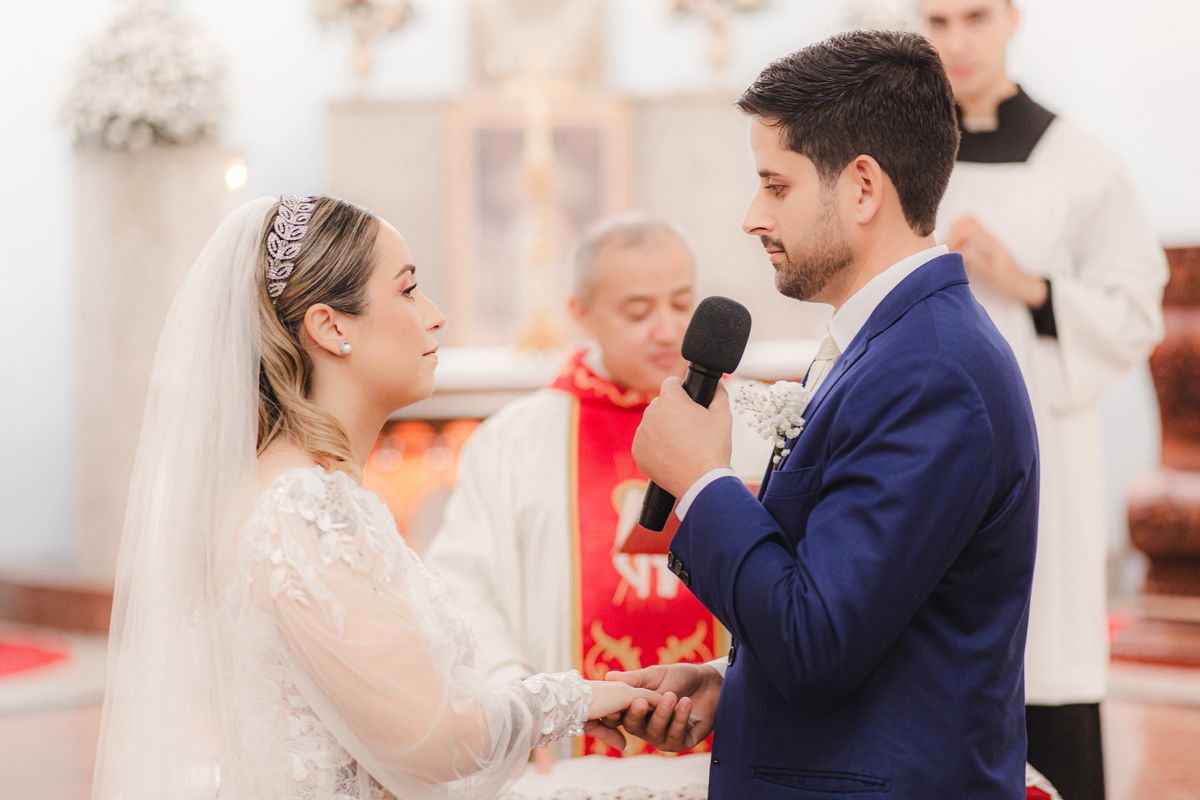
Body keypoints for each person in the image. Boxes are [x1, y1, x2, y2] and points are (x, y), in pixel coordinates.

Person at [92, 195, 660, 800]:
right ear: (332, 327)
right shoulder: (302, 508)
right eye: (408, 290)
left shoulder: (290, 491)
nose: (435, 316)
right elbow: (431, 739)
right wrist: (571, 699)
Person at [607, 31, 1040, 798]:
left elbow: (816, 641)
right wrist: (730, 683)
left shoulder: (931, 372)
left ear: (863, 188)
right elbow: (871, 610)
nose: (752, 216)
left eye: (776, 186)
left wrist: (701, 480)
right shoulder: (890, 345)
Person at [921, 2, 1168, 796]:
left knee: (1042, 644)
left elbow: (1136, 308)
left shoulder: (1078, 160)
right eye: (937, 21)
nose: (957, 41)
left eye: (975, 17)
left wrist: (1025, 282)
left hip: (1040, 444)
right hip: (924, 440)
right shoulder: (905, 154)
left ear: (1011, 19)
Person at [424, 212, 770, 766]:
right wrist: (513, 697)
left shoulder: (756, 424)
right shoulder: (517, 440)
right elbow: (462, 585)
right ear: (581, 313)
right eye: (638, 311)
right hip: (571, 761)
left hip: (732, 748)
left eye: (682, 304)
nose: (667, 330)